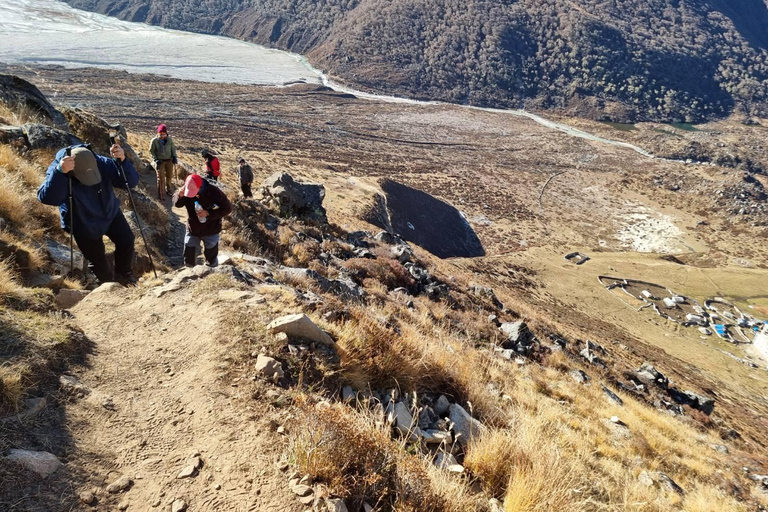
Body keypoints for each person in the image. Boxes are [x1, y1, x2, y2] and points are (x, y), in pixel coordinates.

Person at [37, 144, 139, 285]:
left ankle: (124, 275)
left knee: (127, 240)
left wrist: (122, 161)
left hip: (109, 212)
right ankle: (108, 284)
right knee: (97, 259)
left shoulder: (101, 162)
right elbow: (47, 198)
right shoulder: (61, 169)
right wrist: (60, 172)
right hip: (82, 221)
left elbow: (130, 182)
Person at [173, 174, 232, 267]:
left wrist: (209, 213)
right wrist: (179, 196)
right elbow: (177, 205)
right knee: (189, 256)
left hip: (211, 229)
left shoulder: (214, 192)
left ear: (200, 187)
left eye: (194, 191)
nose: (191, 194)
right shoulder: (186, 189)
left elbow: (227, 208)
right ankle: (190, 274)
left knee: (211, 259)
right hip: (192, 228)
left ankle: (212, 274)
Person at [149, 124, 178, 200]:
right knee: (161, 178)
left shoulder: (170, 140)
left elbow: (173, 149)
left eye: (163, 134)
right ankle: (160, 193)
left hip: (169, 161)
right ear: (158, 133)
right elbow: (151, 151)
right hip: (160, 161)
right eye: (160, 134)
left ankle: (169, 190)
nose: (162, 135)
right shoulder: (154, 141)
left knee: (169, 176)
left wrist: (174, 157)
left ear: (166, 133)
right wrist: (155, 159)